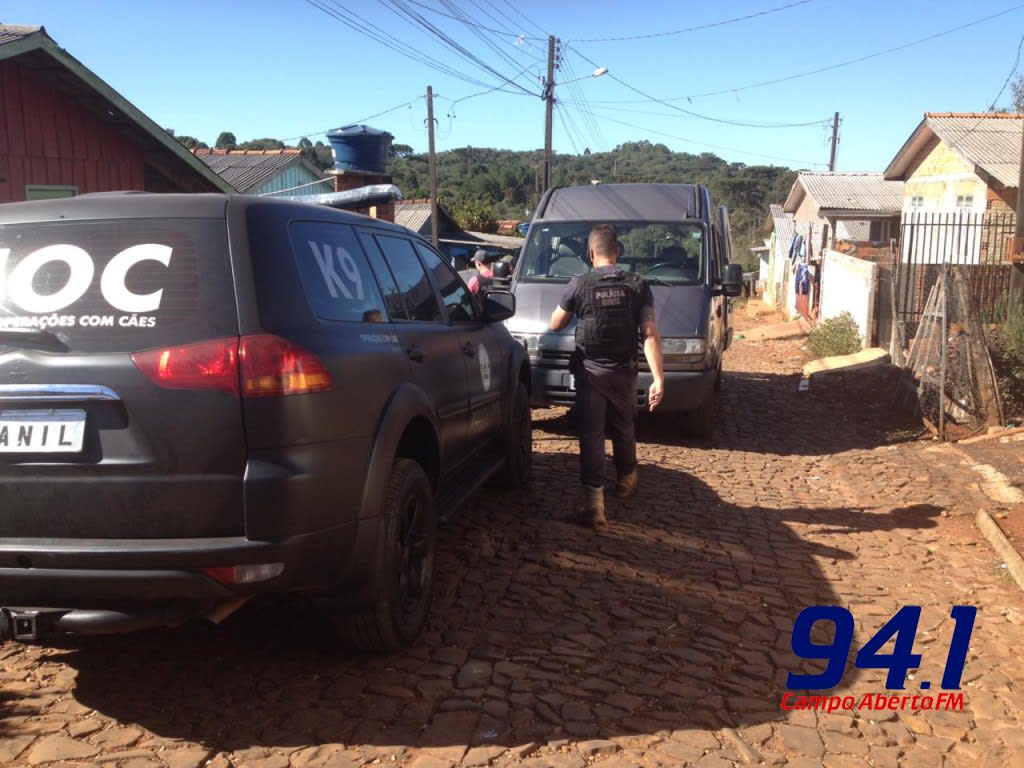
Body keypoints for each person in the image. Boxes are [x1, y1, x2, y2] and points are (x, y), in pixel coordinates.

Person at [549, 224, 664, 528]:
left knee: (592, 435)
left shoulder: (579, 284)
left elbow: (555, 324)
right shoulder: (638, 285)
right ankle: (626, 478)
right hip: (624, 371)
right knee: (624, 426)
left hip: (591, 373)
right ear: (618, 252)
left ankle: (595, 506)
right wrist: (658, 378)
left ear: (590, 253)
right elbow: (650, 334)